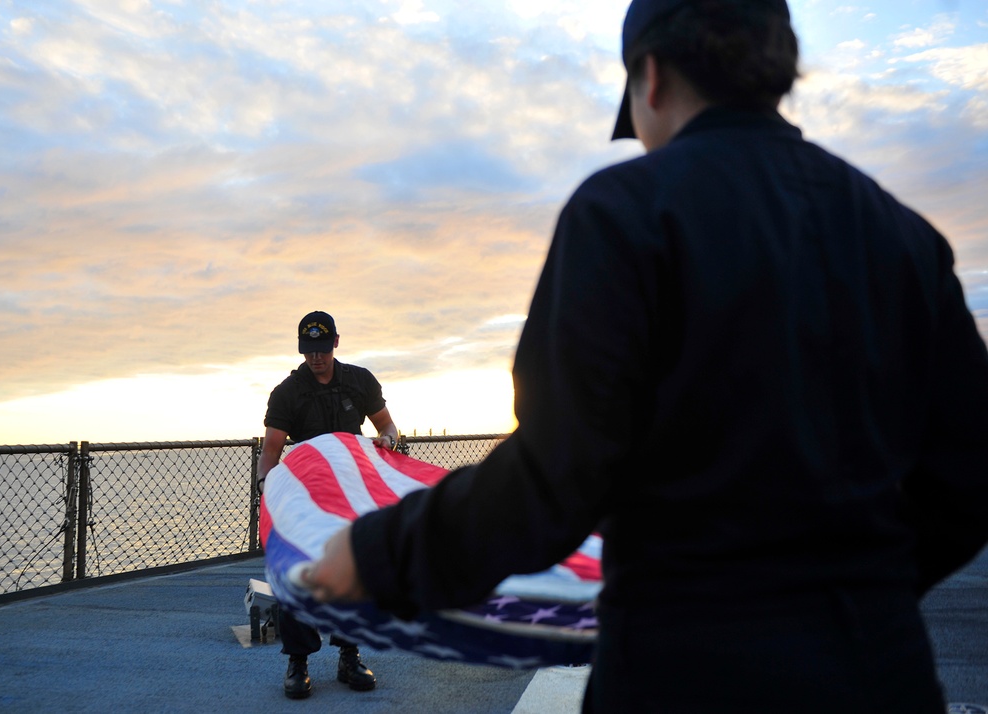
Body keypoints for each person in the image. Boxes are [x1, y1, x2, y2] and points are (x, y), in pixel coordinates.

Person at [299, 1, 988, 711]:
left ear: (650, 77)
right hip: (881, 670)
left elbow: (554, 477)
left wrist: (381, 554)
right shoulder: (902, 235)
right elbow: (970, 474)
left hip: (679, 671)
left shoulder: (624, 213)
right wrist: (864, 593)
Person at [257, 310, 398, 700]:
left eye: (321, 348)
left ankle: (349, 656)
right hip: (306, 495)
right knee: (300, 569)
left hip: (352, 489)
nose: (315, 357)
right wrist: (267, 488)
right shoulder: (288, 392)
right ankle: (298, 662)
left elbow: (387, 426)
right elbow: (270, 451)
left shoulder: (359, 381)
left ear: (335, 343)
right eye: (308, 350)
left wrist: (388, 440)